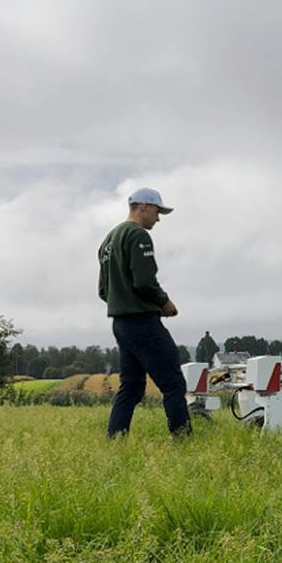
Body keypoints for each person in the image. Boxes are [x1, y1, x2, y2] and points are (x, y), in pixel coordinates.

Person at [98, 187, 190, 438]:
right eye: (158, 212)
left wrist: (122, 303)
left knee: (132, 386)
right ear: (144, 207)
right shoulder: (138, 235)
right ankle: (183, 440)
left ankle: (116, 440)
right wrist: (164, 302)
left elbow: (103, 290)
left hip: (121, 323)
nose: (158, 219)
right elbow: (144, 282)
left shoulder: (108, 240)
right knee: (173, 383)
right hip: (142, 322)